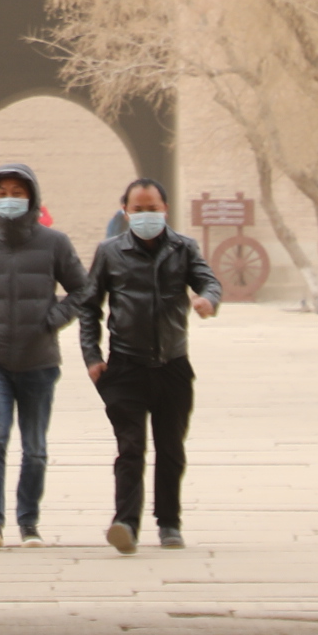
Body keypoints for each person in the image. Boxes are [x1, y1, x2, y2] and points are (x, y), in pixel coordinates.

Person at [0, 162, 86, 548]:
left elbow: (82, 289)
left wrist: (54, 319)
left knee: (35, 448)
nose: (9, 200)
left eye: (17, 193)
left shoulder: (55, 243)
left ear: (32, 198)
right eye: (2, 194)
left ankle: (29, 522)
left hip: (39, 361)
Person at [78, 177, 222, 552]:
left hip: (173, 365)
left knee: (171, 449)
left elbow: (209, 282)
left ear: (165, 210)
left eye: (152, 209)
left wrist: (207, 300)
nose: (145, 215)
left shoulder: (184, 248)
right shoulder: (110, 252)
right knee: (130, 448)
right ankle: (125, 523)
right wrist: (92, 356)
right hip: (126, 366)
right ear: (125, 212)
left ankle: (169, 523)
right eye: (138, 209)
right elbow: (89, 307)